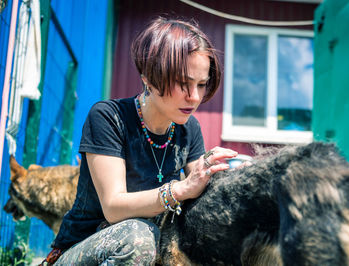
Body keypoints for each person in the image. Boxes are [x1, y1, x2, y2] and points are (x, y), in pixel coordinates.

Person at [40, 16, 238, 265]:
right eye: (183, 83)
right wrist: (180, 189)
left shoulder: (188, 128)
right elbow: (113, 207)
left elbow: (199, 188)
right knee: (138, 237)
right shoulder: (109, 117)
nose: (194, 97)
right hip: (85, 250)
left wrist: (221, 177)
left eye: (201, 84)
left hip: (151, 250)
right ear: (148, 76)